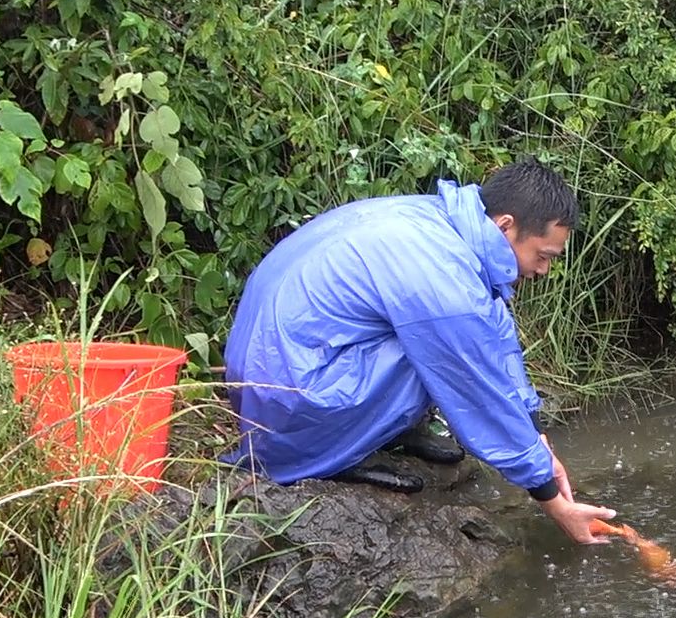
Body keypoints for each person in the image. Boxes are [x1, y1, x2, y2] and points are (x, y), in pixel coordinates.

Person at [222, 159, 616, 545]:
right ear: (505, 226)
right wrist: (553, 502)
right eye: (543, 255)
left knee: (439, 336)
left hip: (287, 372)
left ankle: (388, 431)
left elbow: (494, 334)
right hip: (290, 406)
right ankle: (342, 454)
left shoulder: (444, 225)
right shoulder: (444, 274)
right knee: (435, 349)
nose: (544, 269)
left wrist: (535, 436)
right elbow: (478, 391)